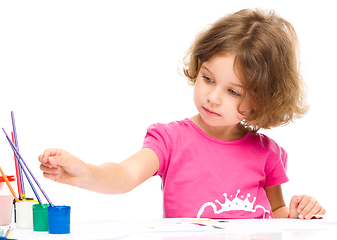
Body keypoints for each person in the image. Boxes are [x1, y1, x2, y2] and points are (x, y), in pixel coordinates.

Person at [39, 8, 326, 220]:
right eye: (208, 79)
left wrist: (298, 213)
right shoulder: (170, 139)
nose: (213, 98)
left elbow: (276, 212)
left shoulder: (267, 153)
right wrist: (86, 173)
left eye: (233, 92)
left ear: (260, 102)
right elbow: (126, 174)